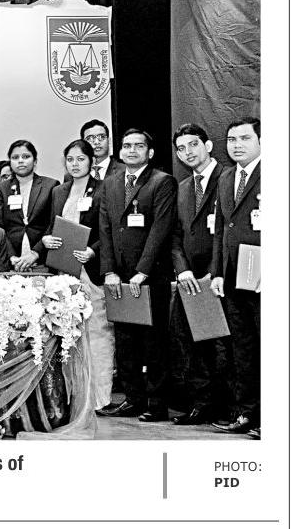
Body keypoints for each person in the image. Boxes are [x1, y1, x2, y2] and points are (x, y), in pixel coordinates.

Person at [96, 128, 177, 422]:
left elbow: (160, 230)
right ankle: (133, 399)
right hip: (118, 278)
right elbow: (105, 228)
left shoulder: (162, 182)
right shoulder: (111, 183)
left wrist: (143, 270)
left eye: (138, 146)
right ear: (120, 151)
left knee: (154, 343)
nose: (131, 150)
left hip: (150, 277)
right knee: (126, 342)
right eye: (127, 146)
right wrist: (108, 271)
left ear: (150, 152)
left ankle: (157, 404)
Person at [39, 139, 113, 410]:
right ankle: (74, 396)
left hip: (89, 272)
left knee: (97, 334)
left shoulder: (105, 189)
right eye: (70, 159)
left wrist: (93, 251)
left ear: (92, 161)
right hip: (63, 272)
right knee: (68, 335)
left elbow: (109, 231)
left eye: (80, 159)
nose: (75, 164)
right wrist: (46, 240)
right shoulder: (59, 191)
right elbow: (51, 227)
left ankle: (100, 397)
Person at [166, 123, 226, 425]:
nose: (188, 152)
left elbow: (226, 234)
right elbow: (175, 235)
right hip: (189, 279)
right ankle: (201, 404)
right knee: (188, 341)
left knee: (223, 344)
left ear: (208, 146)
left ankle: (231, 406)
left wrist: (215, 271)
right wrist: (183, 270)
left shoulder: (227, 178)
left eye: (193, 144)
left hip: (218, 278)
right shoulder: (183, 187)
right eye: (181, 148)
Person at [209, 117, 261, 437]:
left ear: (261, 141)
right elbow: (220, 229)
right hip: (233, 276)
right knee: (242, 348)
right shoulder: (227, 177)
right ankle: (247, 413)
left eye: (244, 138)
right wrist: (217, 272)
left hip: (264, 276)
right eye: (231, 140)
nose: (237, 145)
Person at [0, 140, 59, 271]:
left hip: (43, 259)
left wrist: (35, 253)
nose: (20, 161)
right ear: (10, 162)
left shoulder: (51, 185)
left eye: (26, 156)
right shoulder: (2, 189)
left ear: (35, 161)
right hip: (11, 261)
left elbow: (54, 223)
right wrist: (11, 256)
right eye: (15, 157)